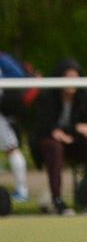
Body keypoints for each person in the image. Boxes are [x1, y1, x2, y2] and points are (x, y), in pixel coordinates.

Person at [29, 59, 87, 215]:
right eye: (67, 77)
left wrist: (71, 131)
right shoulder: (47, 97)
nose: (71, 82)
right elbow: (44, 127)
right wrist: (62, 132)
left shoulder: (85, 98)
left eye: (75, 77)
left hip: (76, 142)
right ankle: (57, 199)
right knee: (54, 146)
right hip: (51, 144)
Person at [0, 51, 30, 203]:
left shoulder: (3, 59)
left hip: (1, 114)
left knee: (11, 148)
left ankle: (22, 191)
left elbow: (18, 77)